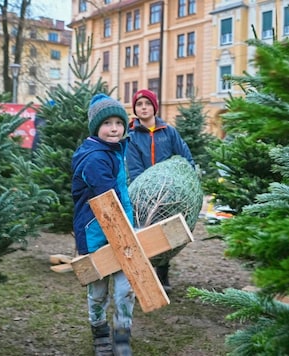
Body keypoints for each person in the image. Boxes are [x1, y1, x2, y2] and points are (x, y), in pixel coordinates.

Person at [71, 93, 135, 356]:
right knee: (98, 291)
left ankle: (122, 335)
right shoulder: (95, 158)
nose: (114, 128)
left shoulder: (113, 151)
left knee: (125, 289)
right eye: (107, 123)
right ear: (96, 127)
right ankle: (100, 333)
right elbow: (108, 202)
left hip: (121, 230)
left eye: (118, 123)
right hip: (98, 234)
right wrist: (124, 231)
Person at [126, 89, 195, 291]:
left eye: (147, 103)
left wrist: (188, 175)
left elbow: (184, 155)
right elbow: (134, 167)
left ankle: (163, 274)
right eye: (139, 105)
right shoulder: (132, 136)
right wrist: (147, 189)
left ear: (154, 107)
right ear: (135, 109)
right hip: (145, 192)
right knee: (144, 232)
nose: (143, 108)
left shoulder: (168, 131)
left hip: (170, 191)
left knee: (167, 231)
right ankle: (144, 276)